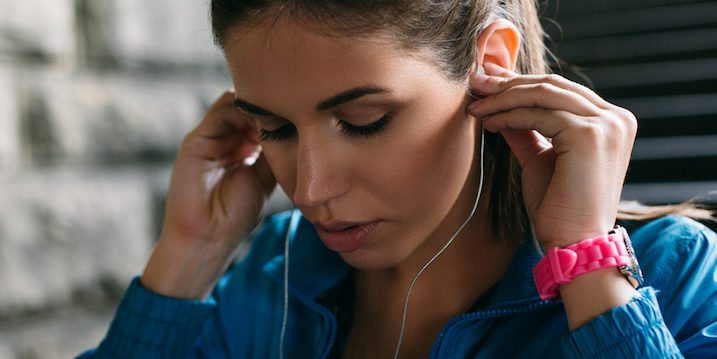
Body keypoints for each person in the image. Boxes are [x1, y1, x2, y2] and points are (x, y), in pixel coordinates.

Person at [78, 0, 717, 358]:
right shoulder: (276, 276)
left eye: (364, 121)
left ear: (488, 63)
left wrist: (587, 264)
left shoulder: (678, 275)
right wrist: (190, 254)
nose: (308, 190)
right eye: (274, 129)